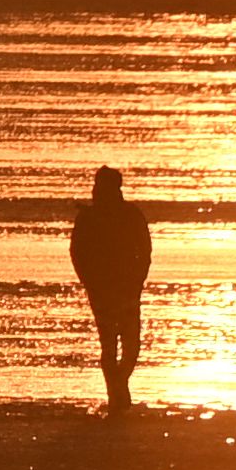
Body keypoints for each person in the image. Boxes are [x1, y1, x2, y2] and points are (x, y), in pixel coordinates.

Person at [67, 166, 152, 410]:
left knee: (131, 346)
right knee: (110, 344)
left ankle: (118, 385)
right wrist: (89, 282)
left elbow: (144, 251)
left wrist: (137, 281)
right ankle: (116, 395)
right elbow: (78, 253)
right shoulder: (88, 218)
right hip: (102, 291)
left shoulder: (131, 215)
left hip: (127, 290)